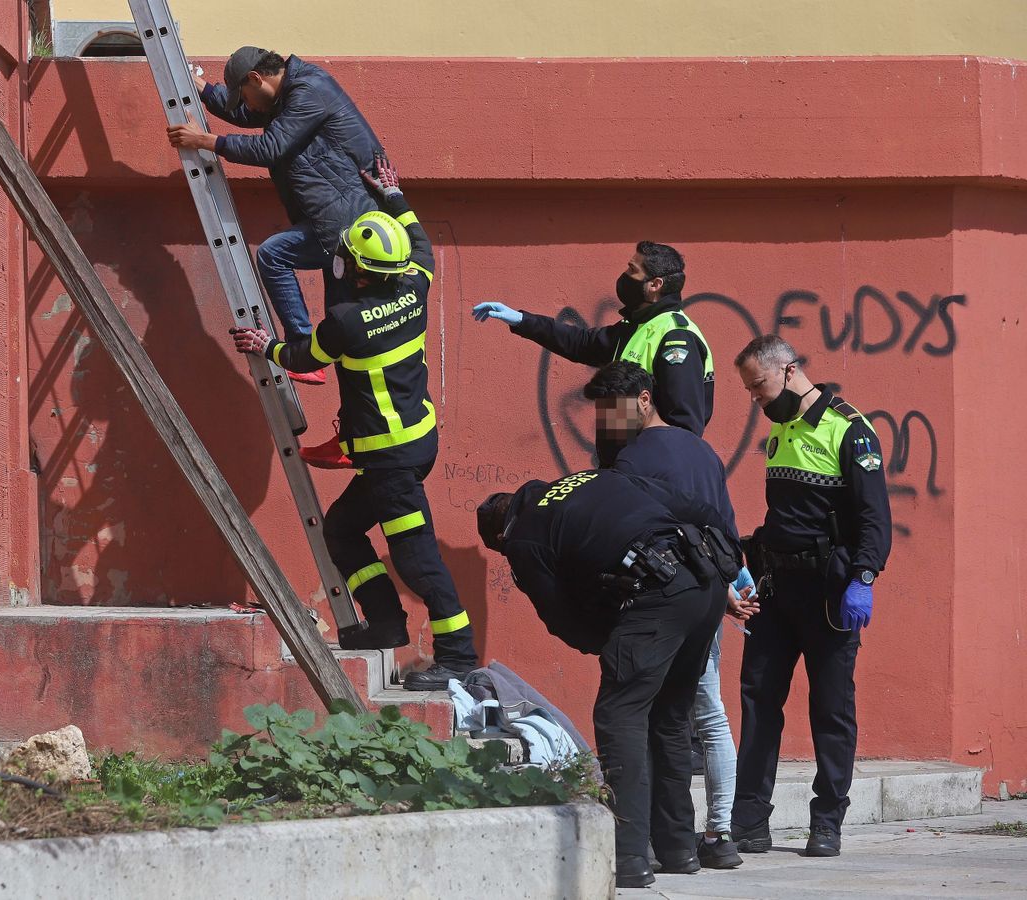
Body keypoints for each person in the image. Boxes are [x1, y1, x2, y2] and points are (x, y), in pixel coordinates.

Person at [228, 158, 477, 690]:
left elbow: (302, 354)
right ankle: (386, 623)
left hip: (390, 457)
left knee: (417, 556)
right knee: (341, 531)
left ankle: (457, 655)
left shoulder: (347, 323)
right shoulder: (417, 284)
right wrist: (394, 195)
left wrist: (263, 345)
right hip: (415, 442)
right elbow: (421, 243)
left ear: (359, 272)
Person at [477, 469, 737, 888]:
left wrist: (612, 643)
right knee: (671, 715)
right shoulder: (592, 478)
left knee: (620, 714)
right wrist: (732, 560)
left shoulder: (523, 538)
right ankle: (678, 850)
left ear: (500, 538)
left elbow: (560, 618)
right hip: (704, 583)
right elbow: (694, 504)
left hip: (657, 595)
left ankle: (629, 855)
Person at [584, 361, 758, 869]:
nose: (608, 424)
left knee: (652, 715)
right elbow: (723, 526)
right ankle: (685, 846)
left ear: (644, 399)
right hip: (709, 599)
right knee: (687, 717)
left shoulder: (631, 461)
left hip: (661, 602)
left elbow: (626, 534)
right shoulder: (701, 450)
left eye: (613, 412)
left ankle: (652, 848)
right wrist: (728, 588)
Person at [729, 335, 892, 859]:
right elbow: (786, 517)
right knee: (757, 705)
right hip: (777, 593)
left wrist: (863, 580)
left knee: (831, 710)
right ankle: (749, 821)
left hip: (830, 595)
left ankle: (827, 823)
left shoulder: (850, 429)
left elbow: (874, 518)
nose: (756, 398)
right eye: (751, 390)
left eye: (759, 385)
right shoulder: (780, 428)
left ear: (789, 369)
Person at [170, 46, 385, 386]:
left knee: (273, 254)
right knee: (341, 330)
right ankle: (350, 429)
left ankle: (300, 349)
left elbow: (270, 147)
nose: (248, 106)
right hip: (337, 217)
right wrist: (206, 92)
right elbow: (251, 115)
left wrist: (206, 141)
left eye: (245, 96)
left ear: (256, 78)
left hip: (347, 219)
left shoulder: (308, 91)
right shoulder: (286, 93)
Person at [471, 242, 715, 435]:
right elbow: (583, 343)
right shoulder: (637, 326)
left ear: (655, 285)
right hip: (623, 468)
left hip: (647, 476)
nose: (624, 275)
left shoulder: (676, 338)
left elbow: (684, 428)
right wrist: (522, 321)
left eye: (632, 270)